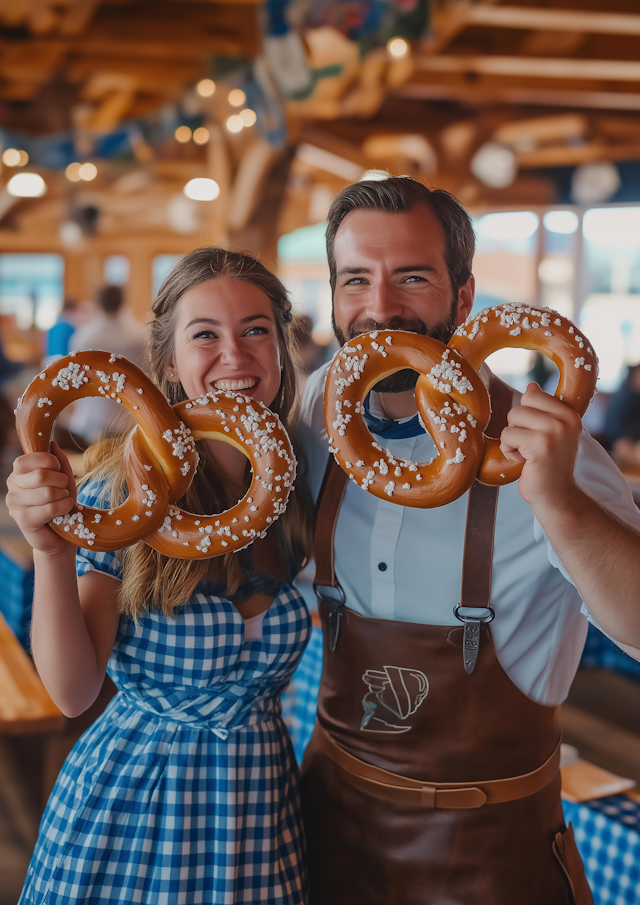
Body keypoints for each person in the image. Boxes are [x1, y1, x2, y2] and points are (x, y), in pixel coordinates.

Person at [296, 177, 640, 905]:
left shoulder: (548, 450)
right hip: (323, 830)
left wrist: (560, 504)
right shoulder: (311, 413)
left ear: (463, 297)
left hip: (491, 854)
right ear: (332, 294)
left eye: (411, 277)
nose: (380, 307)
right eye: (356, 278)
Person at [7, 248, 313, 904]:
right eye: (205, 334)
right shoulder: (129, 484)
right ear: (170, 362)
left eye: (256, 329)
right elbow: (72, 690)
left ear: (281, 350)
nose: (235, 353)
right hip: (135, 805)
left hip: (259, 807)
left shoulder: (301, 485)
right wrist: (52, 550)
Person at [67, 284, 147, 442]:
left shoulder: (83, 337)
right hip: (129, 420)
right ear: (122, 302)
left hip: (92, 420)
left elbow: (75, 380)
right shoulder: (139, 337)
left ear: (98, 303)